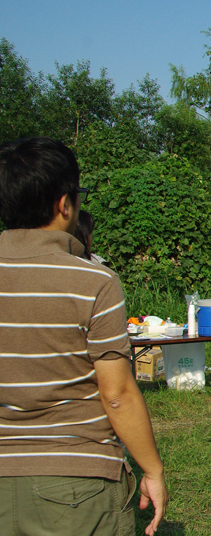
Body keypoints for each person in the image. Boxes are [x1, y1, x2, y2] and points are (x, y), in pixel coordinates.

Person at [0, 137, 167, 535]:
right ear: (64, 203)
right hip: (76, 482)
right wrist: (153, 469)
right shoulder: (93, 280)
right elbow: (117, 394)